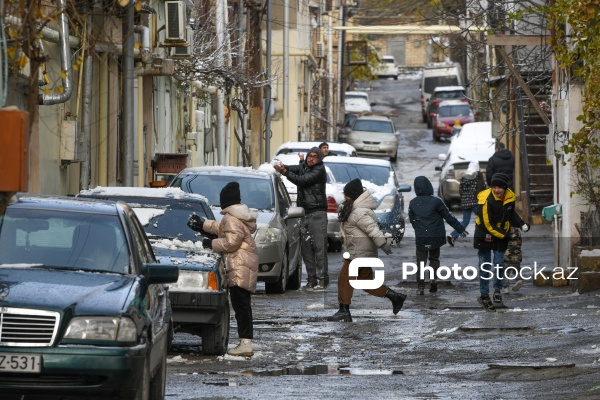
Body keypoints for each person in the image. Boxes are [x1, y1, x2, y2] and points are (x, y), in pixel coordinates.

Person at [188, 182, 259, 357]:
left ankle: (245, 344)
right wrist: (204, 224)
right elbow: (222, 229)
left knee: (241, 306)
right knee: (243, 305)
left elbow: (230, 242)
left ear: (225, 201)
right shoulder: (236, 216)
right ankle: (246, 342)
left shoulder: (231, 218)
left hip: (238, 266)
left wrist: (209, 243)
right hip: (243, 264)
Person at [327, 179, 407, 322]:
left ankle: (344, 311)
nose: (345, 197)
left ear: (353, 196)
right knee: (366, 282)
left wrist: (383, 244)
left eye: (347, 195)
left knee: (344, 279)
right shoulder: (355, 208)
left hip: (359, 253)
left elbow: (372, 229)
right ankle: (395, 297)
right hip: (360, 251)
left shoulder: (359, 212)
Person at [274, 147, 329, 290]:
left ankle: (323, 280)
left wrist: (285, 172)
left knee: (319, 248)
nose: (311, 159)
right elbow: (296, 169)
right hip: (303, 213)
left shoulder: (319, 170)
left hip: (317, 214)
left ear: (319, 159)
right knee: (306, 250)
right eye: (309, 156)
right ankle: (312, 280)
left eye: (314, 157)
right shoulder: (305, 166)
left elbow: (302, 181)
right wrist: (284, 167)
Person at [474, 172, 529, 312]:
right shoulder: (485, 199)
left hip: (501, 234)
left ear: (505, 188)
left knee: (499, 264)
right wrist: (504, 235)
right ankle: (484, 295)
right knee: (485, 266)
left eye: (500, 187)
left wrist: (521, 223)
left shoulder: (509, 197)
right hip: (485, 234)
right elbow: (487, 223)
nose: (497, 190)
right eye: (494, 187)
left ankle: (497, 291)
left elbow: (510, 214)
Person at [409, 176, 467, 295]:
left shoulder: (413, 203)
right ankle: (433, 279)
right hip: (436, 236)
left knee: (420, 262)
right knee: (434, 258)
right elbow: (448, 216)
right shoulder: (436, 201)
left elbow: (412, 219)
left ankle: (420, 287)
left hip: (421, 237)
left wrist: (419, 229)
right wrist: (460, 228)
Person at [447, 160, 486, 246]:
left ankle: (452, 235)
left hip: (465, 203)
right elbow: (482, 188)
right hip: (475, 202)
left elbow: (460, 190)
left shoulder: (464, 176)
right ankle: (483, 238)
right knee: (482, 219)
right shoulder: (478, 176)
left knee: (465, 221)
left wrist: (465, 198)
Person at [502, 226, 523, 293]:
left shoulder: (505, 232)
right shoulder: (518, 234)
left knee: (506, 272)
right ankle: (518, 280)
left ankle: (506, 287)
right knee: (517, 269)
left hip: (507, 256)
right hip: (517, 256)